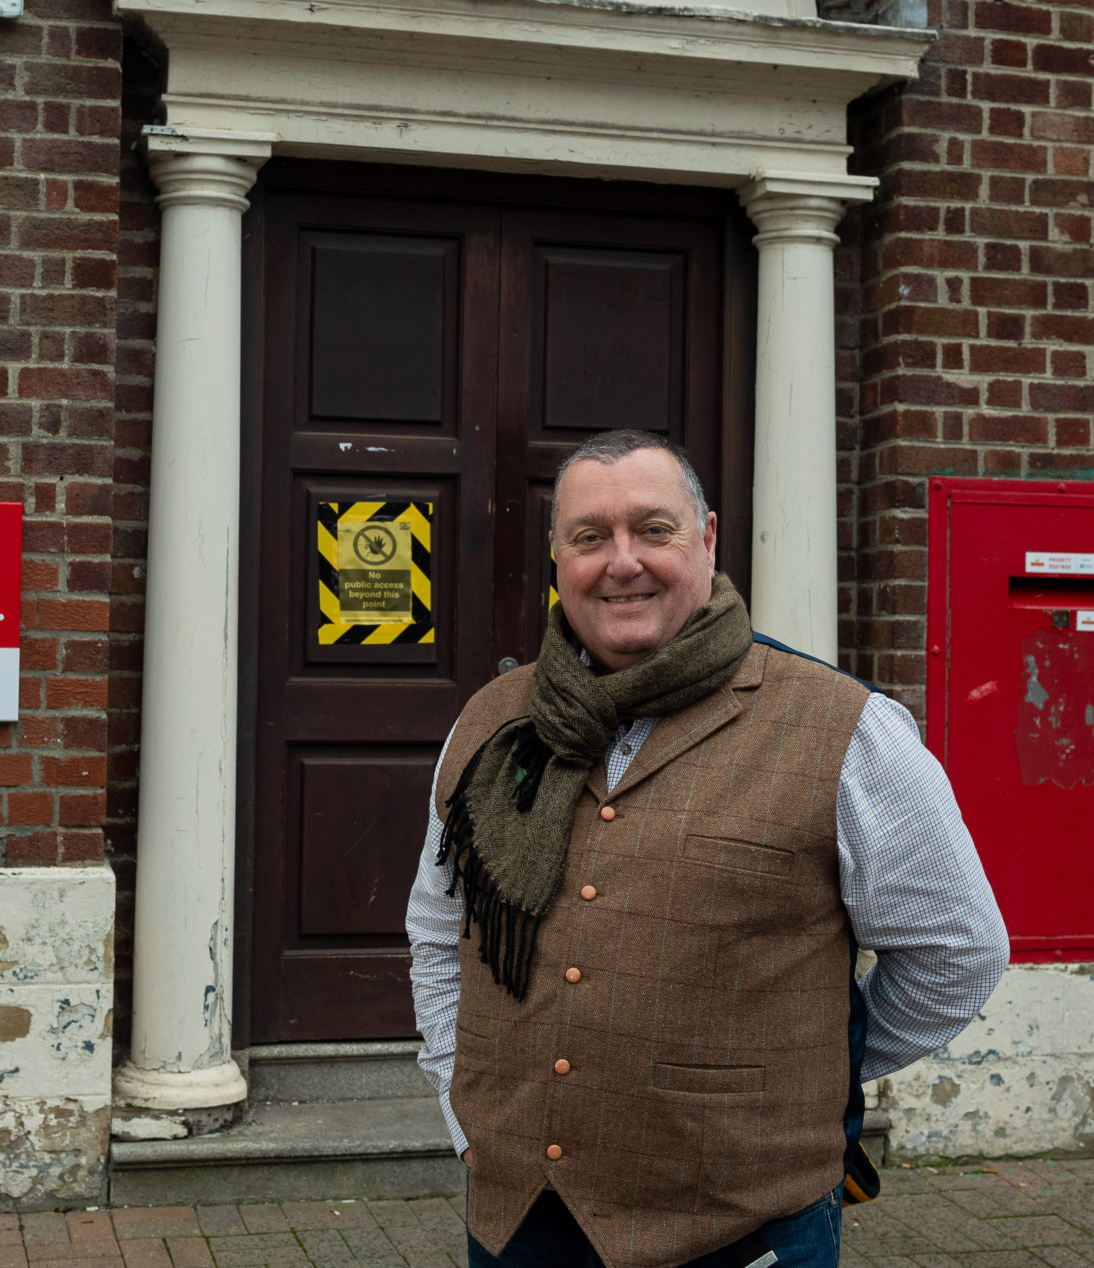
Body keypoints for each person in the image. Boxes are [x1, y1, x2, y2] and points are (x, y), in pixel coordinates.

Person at [405, 429, 1009, 1268]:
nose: (622, 562)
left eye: (653, 529)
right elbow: (441, 931)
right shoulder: (491, 722)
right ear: (557, 559)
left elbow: (958, 951)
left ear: (708, 539)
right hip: (519, 1219)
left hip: (743, 1229)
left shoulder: (847, 730)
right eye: (589, 537)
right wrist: (458, 1101)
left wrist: (807, 1066)